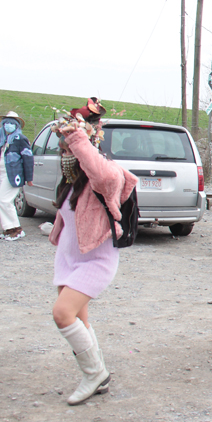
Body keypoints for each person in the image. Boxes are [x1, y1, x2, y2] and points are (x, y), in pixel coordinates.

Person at [48, 108, 137, 405]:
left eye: (68, 148)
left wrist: (76, 134)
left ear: (83, 145)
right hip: (69, 259)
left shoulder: (107, 176)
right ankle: (97, 375)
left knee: (62, 314)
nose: (64, 153)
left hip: (96, 260)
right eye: (62, 147)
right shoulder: (73, 180)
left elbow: (98, 169)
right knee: (78, 320)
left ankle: (94, 374)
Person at [0, 111, 33, 241]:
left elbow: (28, 158)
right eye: (6, 123)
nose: (8, 126)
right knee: (0, 202)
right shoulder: (3, 141)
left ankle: (17, 229)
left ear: (16, 125)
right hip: (1, 174)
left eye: (11, 123)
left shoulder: (20, 139)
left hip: (13, 175)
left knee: (5, 201)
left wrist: (29, 177)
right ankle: (8, 229)